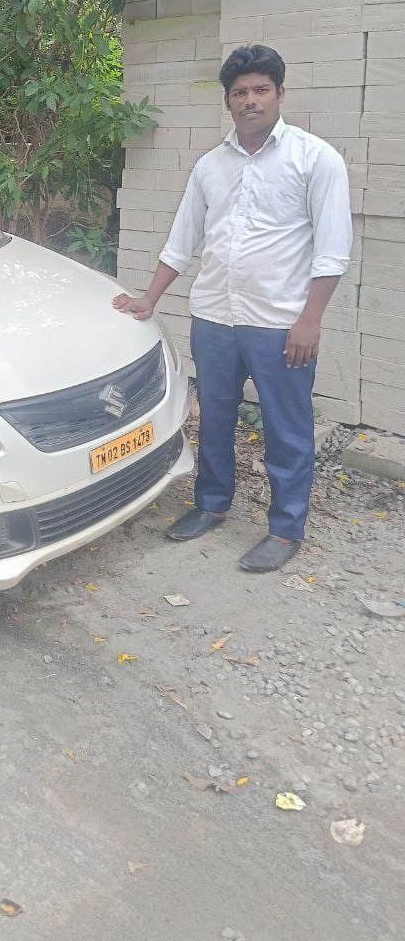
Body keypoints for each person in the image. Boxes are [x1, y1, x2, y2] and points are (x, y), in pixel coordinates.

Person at [112, 44, 353, 572]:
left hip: (280, 324)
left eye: (261, 89)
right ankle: (211, 504)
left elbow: (333, 250)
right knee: (214, 417)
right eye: (240, 92)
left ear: (280, 93)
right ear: (228, 101)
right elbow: (182, 241)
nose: (250, 100)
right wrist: (150, 297)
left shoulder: (315, 159)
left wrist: (310, 321)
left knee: (287, 427)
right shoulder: (210, 166)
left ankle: (285, 529)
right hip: (215, 319)